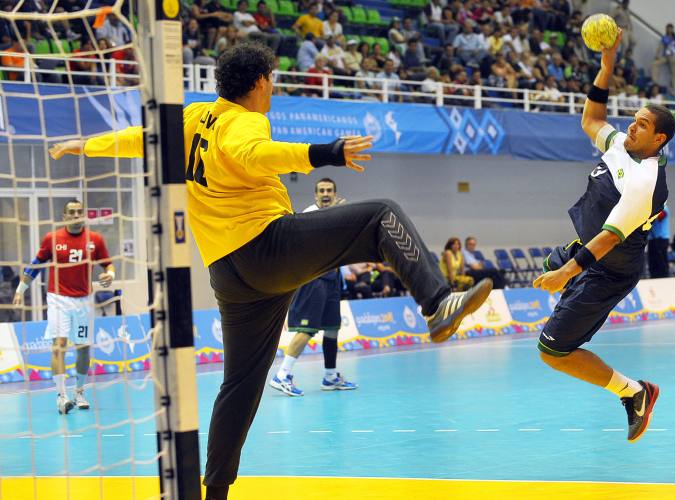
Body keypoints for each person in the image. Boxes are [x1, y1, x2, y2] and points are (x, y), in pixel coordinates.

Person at [47, 43, 493, 500]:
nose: (273, 88)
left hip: (227, 273)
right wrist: (327, 152)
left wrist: (83, 145)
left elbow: (139, 138)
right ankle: (438, 304)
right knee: (381, 215)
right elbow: (254, 155)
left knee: (239, 384)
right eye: (273, 80)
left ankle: (214, 491)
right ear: (260, 83)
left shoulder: (191, 117)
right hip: (266, 248)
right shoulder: (245, 121)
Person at [533, 30, 675, 443]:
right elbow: (592, 119)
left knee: (553, 351)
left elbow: (611, 238)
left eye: (642, 124)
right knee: (548, 269)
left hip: (608, 269)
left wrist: (568, 274)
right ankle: (566, 278)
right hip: (585, 249)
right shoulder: (619, 146)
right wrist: (606, 67)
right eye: (634, 119)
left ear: (659, 139)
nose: (632, 126)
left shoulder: (646, 180)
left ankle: (635, 393)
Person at [12, 199, 115, 414]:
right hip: (58, 299)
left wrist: (110, 275)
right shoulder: (53, 238)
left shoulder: (95, 239)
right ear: (65, 216)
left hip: (83, 301)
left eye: (80, 212)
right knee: (59, 344)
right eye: (72, 212)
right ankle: (61, 396)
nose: (77, 215)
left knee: (83, 348)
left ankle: (79, 391)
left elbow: (108, 264)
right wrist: (20, 291)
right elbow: (35, 265)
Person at [270, 178, 357, 396]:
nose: (325, 194)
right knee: (306, 330)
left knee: (332, 328)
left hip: (332, 279)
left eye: (329, 190)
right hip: (312, 280)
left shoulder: (337, 214)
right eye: (321, 191)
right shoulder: (309, 214)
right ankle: (282, 375)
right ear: (315, 195)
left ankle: (330, 376)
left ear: (335, 193)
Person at [651, 23, 675, 95]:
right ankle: (654, 81)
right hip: (666, 56)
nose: (669, 30)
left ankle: (673, 89)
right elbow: (660, 47)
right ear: (666, 29)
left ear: (672, 29)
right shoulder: (664, 37)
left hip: (673, 56)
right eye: (668, 28)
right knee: (655, 63)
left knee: (673, 74)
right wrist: (657, 55)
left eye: (670, 28)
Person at [646, 204, 669, 278]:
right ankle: (653, 276)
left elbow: (660, 217)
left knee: (661, 260)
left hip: (661, 238)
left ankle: (663, 277)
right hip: (652, 238)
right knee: (652, 260)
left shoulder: (663, 207)